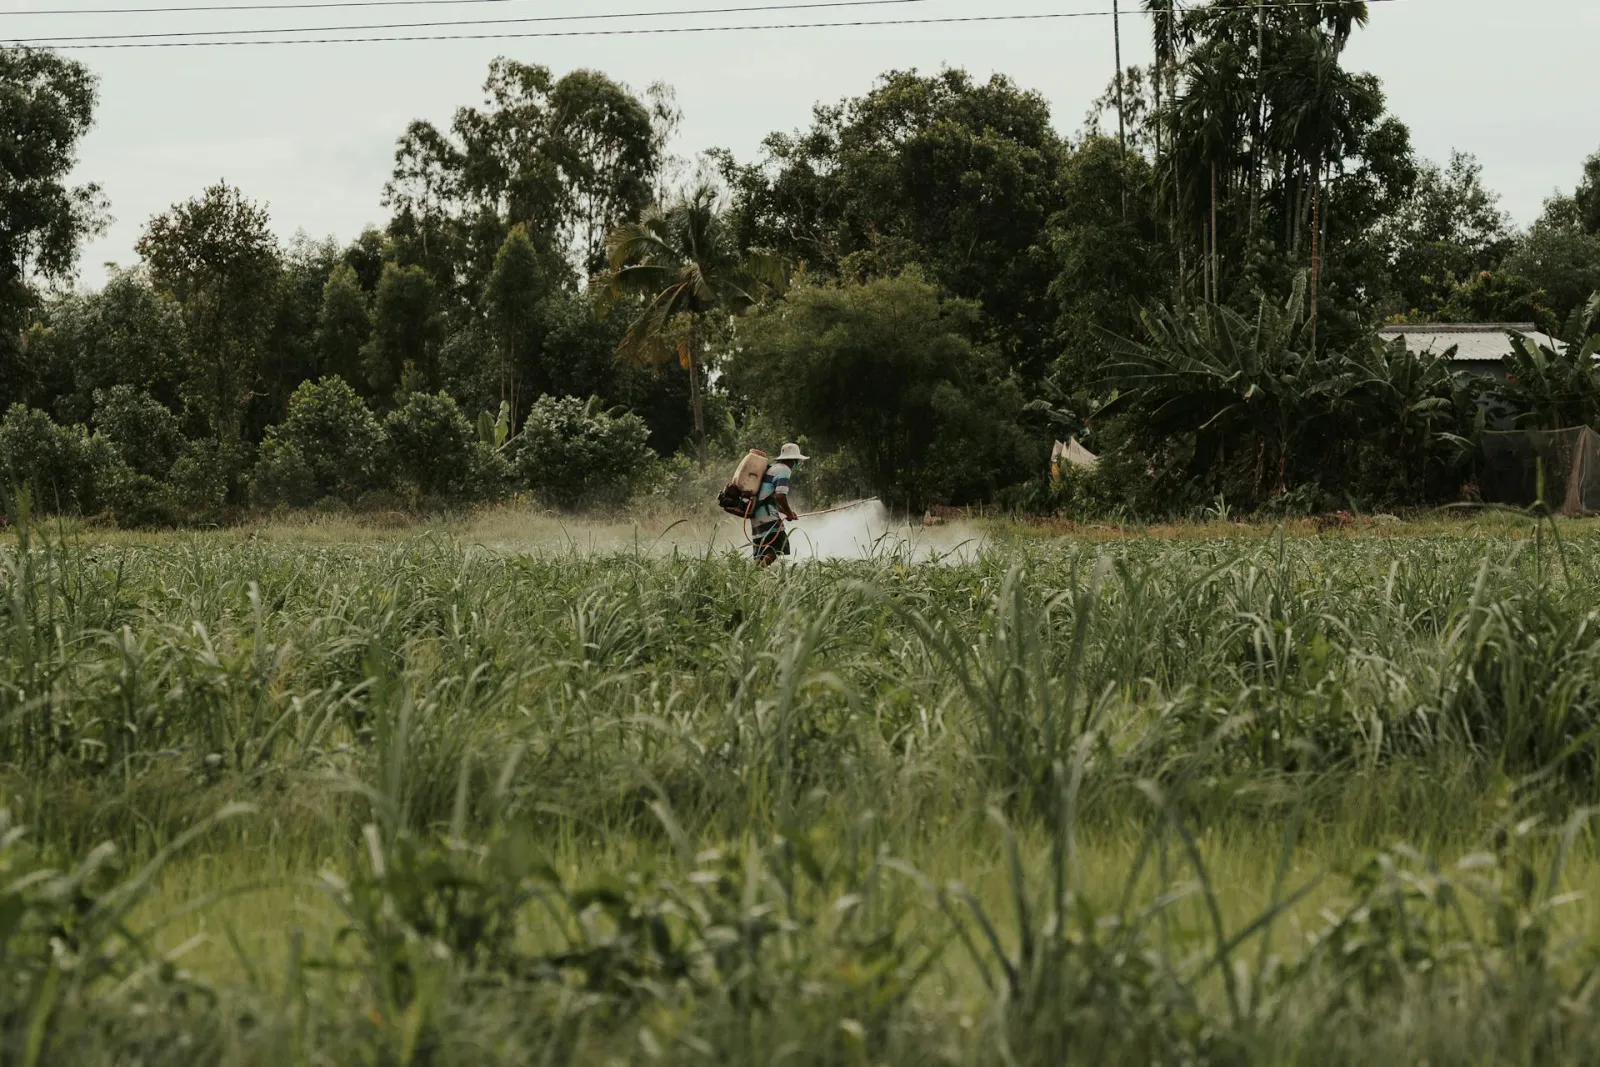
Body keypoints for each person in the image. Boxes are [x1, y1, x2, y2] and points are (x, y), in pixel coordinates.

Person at [750, 442, 807, 566]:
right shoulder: (784, 470)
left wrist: (788, 512)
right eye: (797, 460)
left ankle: (753, 577)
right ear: (793, 459)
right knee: (777, 547)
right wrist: (788, 513)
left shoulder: (773, 468)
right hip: (767, 516)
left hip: (756, 515)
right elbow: (780, 496)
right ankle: (758, 572)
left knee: (763, 552)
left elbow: (772, 497)